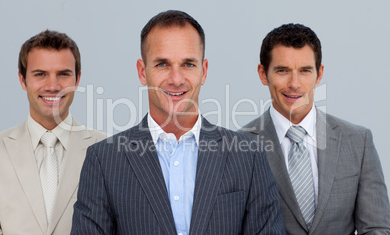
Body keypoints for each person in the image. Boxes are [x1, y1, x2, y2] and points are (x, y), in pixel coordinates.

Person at [72, 10, 285, 235]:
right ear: (142, 72)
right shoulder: (103, 161)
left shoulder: (248, 157)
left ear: (203, 71)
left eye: (188, 64)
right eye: (162, 64)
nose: (176, 79)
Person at [239, 23, 390, 234]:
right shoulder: (237, 147)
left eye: (305, 71)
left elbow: (377, 228)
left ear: (319, 74)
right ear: (263, 74)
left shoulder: (358, 142)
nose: (294, 83)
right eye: (282, 71)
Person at [0, 30, 106, 235]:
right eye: (40, 74)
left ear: (77, 80)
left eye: (63, 74)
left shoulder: (106, 151)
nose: (53, 86)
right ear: (22, 80)